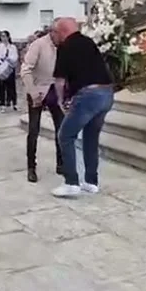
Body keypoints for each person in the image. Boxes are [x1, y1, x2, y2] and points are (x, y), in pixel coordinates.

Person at [51, 17, 113, 197]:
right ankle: (91, 182)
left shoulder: (65, 46)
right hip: (106, 93)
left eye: (54, 32)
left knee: (65, 135)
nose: (53, 36)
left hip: (88, 96)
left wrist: (61, 101)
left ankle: (71, 182)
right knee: (91, 137)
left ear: (62, 31)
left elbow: (60, 80)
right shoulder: (88, 41)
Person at [21, 30, 63, 182]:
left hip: (55, 90)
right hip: (37, 88)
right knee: (34, 130)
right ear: (53, 32)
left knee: (61, 127)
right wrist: (33, 93)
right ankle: (31, 167)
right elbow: (25, 70)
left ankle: (61, 163)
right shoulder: (38, 45)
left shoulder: (64, 45)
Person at [0, 31, 19, 112]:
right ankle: (3, 103)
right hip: (1, 67)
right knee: (2, 86)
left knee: (12, 86)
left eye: (5, 36)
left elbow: (15, 57)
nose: (3, 38)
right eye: (2, 36)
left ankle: (14, 103)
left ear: (8, 37)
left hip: (9, 68)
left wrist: (9, 59)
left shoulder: (12, 47)